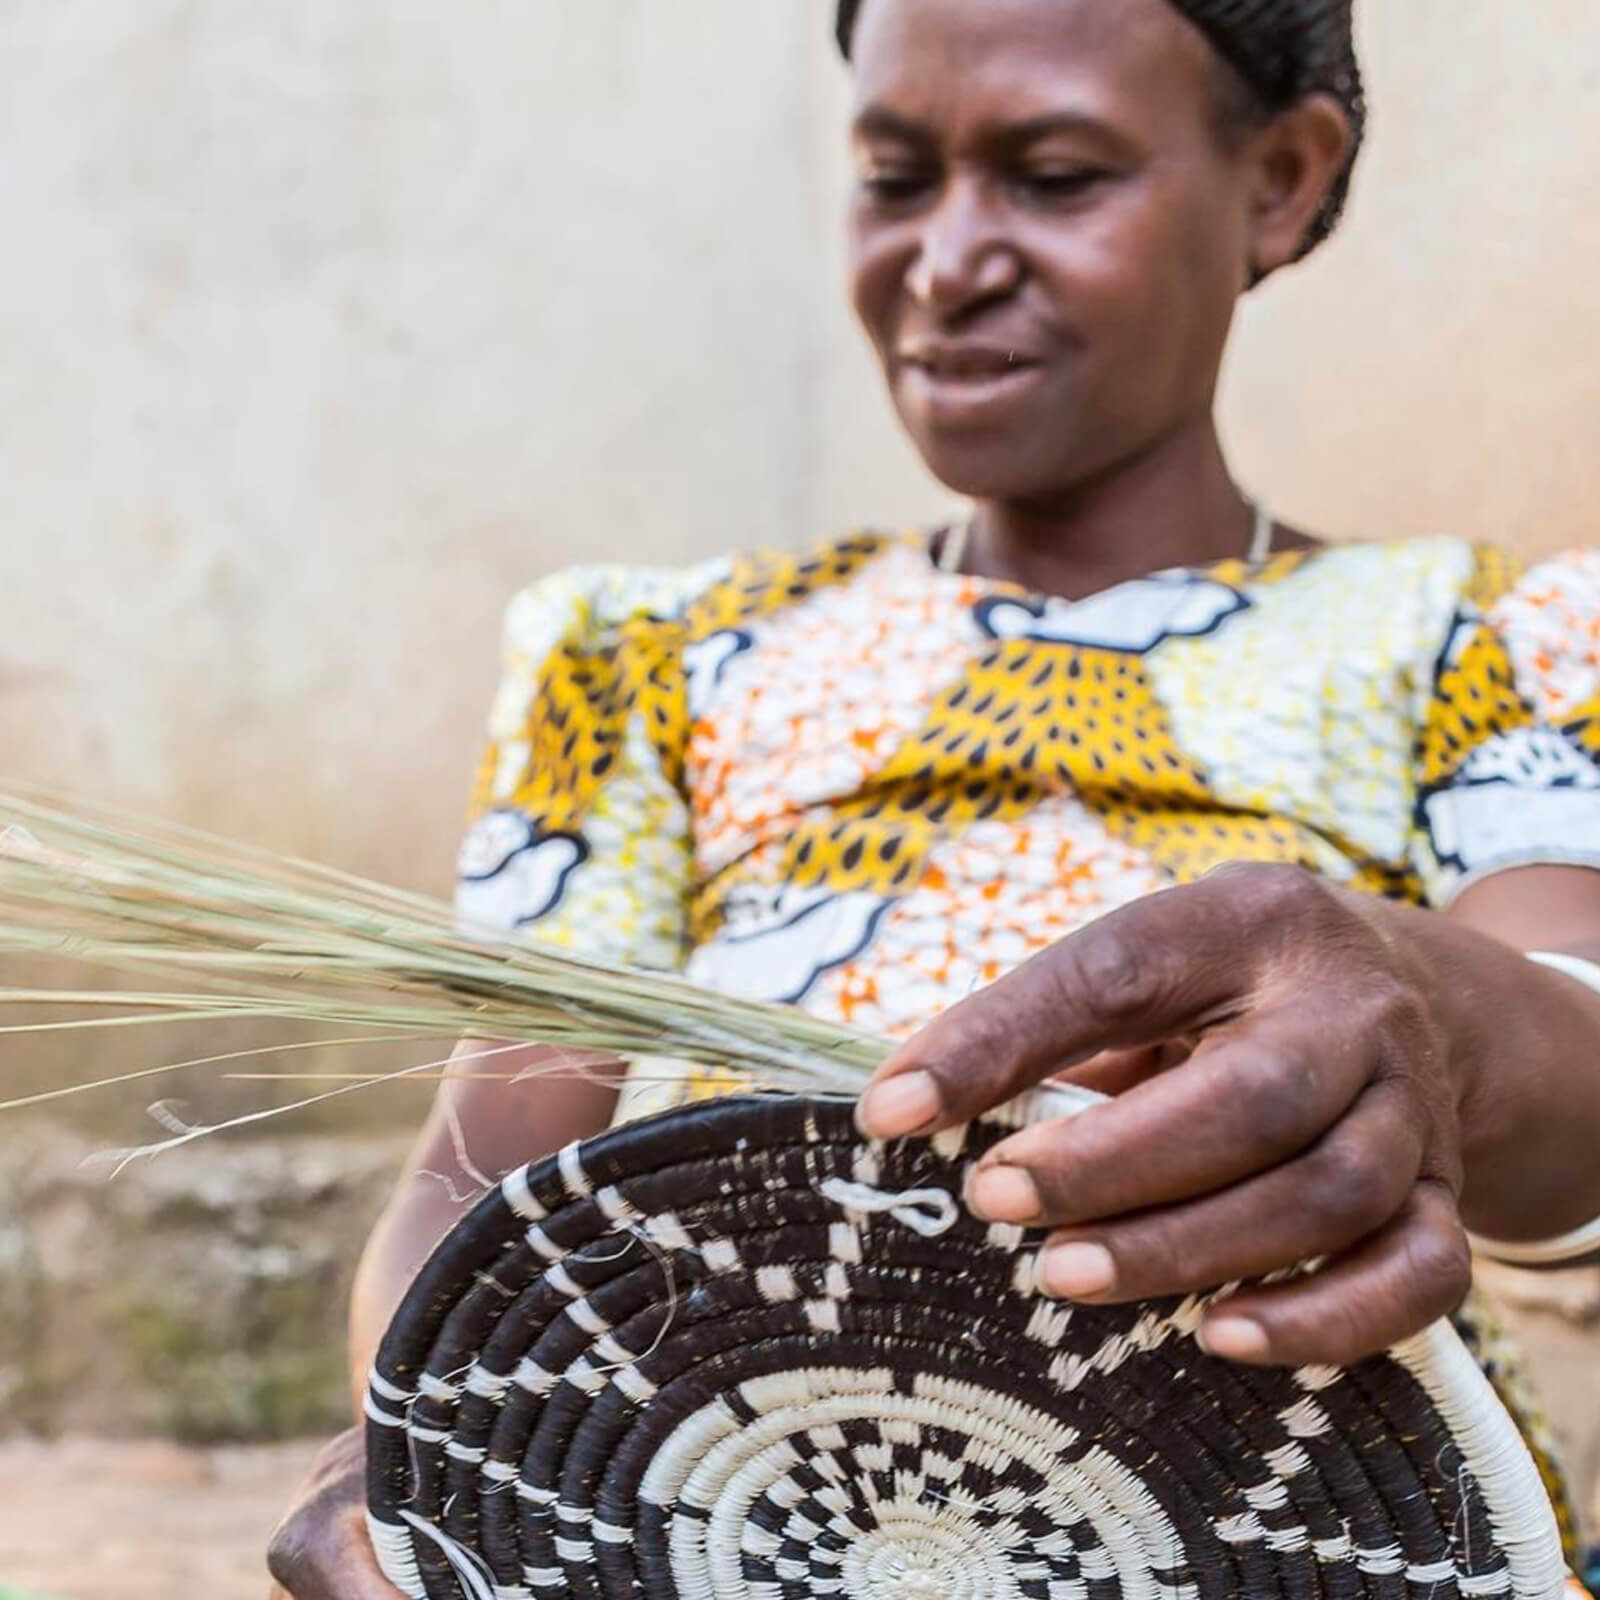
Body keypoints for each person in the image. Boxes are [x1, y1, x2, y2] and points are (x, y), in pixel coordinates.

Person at [267, 1, 1600, 1594]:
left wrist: (1430, 1018)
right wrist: (416, 1452)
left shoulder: (1475, 641)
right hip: (728, 1511)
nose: (950, 259)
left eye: (1054, 174)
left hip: (1301, 1531)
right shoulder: (647, 657)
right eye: (897, 178)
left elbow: (1574, 1077)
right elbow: (475, 1177)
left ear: (1284, 181)